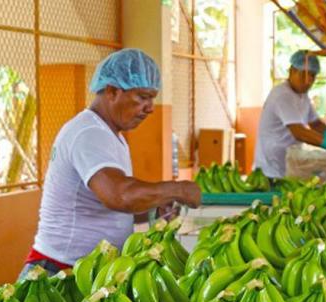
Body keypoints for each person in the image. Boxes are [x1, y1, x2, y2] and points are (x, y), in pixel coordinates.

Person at [20, 49, 201, 279]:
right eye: (142, 97)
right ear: (112, 91)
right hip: (59, 272)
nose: (150, 108)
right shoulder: (89, 133)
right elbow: (119, 195)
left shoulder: (111, 135)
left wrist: (156, 205)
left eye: (152, 98)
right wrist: (178, 189)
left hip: (89, 270)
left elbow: (112, 207)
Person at [253, 50, 326, 179]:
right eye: (304, 75)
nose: (308, 81)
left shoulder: (302, 96)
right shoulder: (282, 96)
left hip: (286, 165)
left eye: (312, 76)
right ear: (292, 71)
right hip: (270, 170)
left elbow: (315, 124)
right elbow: (299, 132)